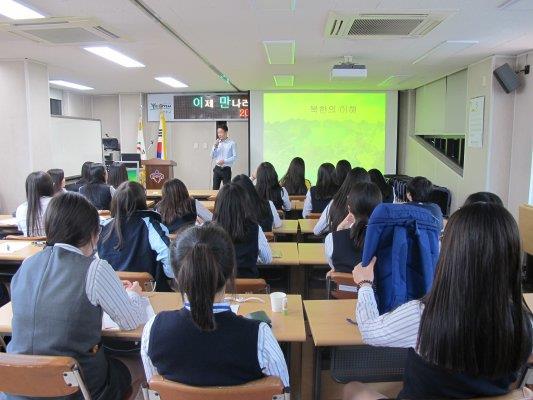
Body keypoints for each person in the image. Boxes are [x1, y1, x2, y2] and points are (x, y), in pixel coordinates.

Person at [345, 202, 533, 400]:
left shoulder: (423, 316)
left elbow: (368, 331)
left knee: (352, 389)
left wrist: (364, 283)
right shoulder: (524, 324)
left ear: (452, 253)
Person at [8, 192, 147, 400]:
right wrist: (134, 295)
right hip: (75, 389)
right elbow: (132, 321)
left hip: (18, 387)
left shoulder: (27, 264)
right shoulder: (95, 268)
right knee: (138, 363)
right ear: (92, 232)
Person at [140, 223, 289, 392]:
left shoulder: (152, 330)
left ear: (176, 276)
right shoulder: (260, 337)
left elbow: (156, 388)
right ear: (231, 271)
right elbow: (282, 391)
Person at [98, 181, 173, 291]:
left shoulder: (103, 227)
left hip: (111, 291)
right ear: (142, 200)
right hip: (146, 291)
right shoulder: (150, 224)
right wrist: (168, 275)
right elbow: (167, 254)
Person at [213, 183, 272, 278]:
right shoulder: (255, 228)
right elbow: (267, 259)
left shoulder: (208, 230)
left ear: (218, 205)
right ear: (245, 204)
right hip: (249, 286)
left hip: (218, 284)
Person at [325, 182, 382, 273]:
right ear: (379, 208)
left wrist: (338, 233)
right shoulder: (388, 238)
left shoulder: (331, 239)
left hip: (343, 287)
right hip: (375, 287)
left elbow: (334, 267)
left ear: (349, 209)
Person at [313, 168, 370, 235]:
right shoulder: (374, 205)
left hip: (338, 243)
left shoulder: (335, 203)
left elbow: (317, 230)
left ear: (347, 182)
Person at [15, 171, 54, 237]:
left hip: (30, 246)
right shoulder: (57, 203)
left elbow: (20, 229)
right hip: (53, 246)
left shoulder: (20, 209)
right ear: (50, 186)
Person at [211, 124, 236, 189]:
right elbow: (212, 156)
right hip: (217, 169)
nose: (219, 134)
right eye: (218, 133)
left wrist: (224, 161)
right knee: (215, 189)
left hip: (226, 169)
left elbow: (234, 157)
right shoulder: (216, 143)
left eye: (221, 132)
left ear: (226, 132)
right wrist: (215, 147)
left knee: (227, 190)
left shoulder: (231, 143)